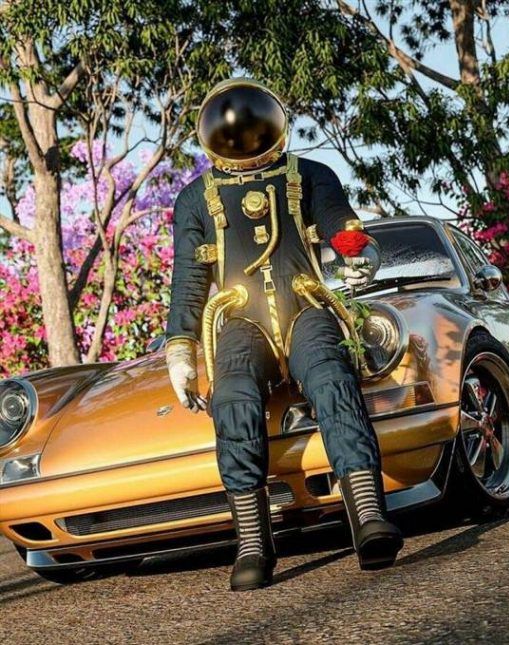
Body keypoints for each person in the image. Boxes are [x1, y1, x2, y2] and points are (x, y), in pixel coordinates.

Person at [165, 78, 403, 591]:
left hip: (306, 308)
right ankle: (253, 543)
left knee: (331, 379)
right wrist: (180, 351)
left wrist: (357, 250)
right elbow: (189, 280)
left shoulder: (310, 176)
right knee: (232, 397)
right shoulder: (196, 199)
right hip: (240, 321)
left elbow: (341, 223)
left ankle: (368, 516)